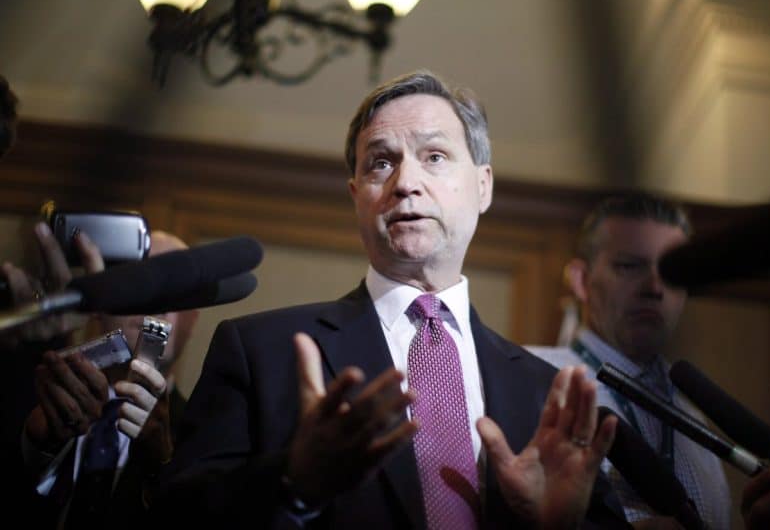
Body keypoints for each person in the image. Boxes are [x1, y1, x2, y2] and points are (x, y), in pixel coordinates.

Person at [155, 70, 624, 529]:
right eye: (381, 162)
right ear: (356, 195)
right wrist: (294, 483)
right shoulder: (260, 351)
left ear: (483, 186)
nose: (405, 182)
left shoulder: (545, 391)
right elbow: (175, 513)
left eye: (434, 156)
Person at [528, 194, 731, 528]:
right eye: (630, 266)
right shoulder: (529, 376)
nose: (654, 287)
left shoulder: (697, 421)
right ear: (581, 280)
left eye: (672, 272)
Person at [12, 227, 198, 528]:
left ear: (195, 316)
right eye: (137, 280)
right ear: (100, 300)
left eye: (173, 285)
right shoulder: (28, 394)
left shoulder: (206, 436)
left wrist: (160, 468)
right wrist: (38, 448)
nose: (154, 300)